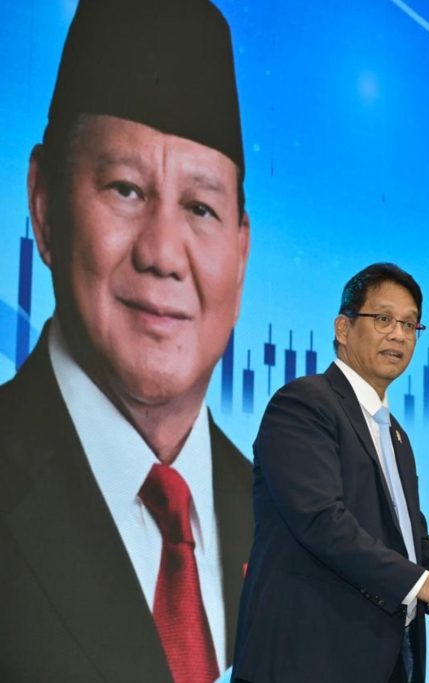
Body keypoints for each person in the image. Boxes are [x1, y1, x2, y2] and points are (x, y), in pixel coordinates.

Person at [0, 1, 253, 681]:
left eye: (200, 207)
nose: (162, 253)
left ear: (241, 252)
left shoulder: (285, 522)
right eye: (125, 189)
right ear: (44, 204)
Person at [233, 263, 429, 683]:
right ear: (343, 328)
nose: (399, 335)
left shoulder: (396, 437)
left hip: (388, 663)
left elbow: (412, 543)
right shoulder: (305, 403)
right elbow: (320, 520)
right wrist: (420, 582)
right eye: (384, 319)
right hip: (307, 660)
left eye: (410, 325)